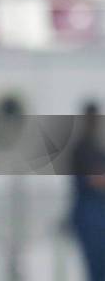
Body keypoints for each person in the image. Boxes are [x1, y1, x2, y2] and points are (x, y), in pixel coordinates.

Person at [71, 102, 105, 281]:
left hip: (97, 214)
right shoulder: (83, 148)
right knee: (96, 267)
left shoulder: (96, 148)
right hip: (89, 216)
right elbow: (93, 180)